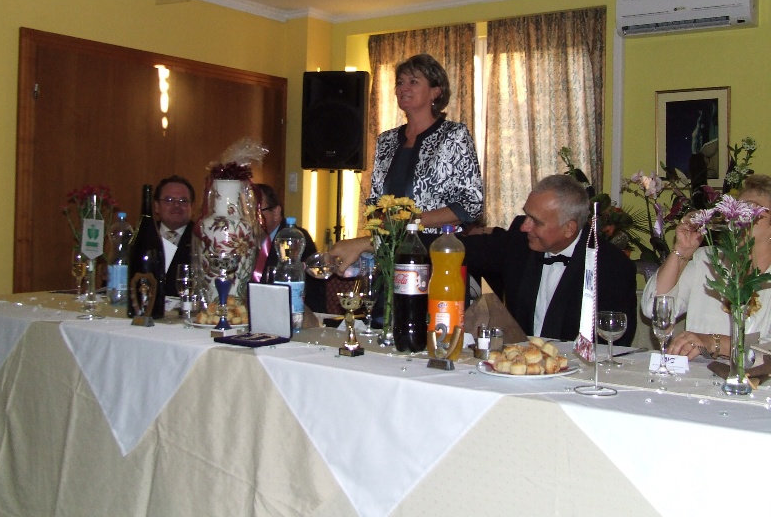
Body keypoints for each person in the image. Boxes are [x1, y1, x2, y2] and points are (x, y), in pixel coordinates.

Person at [331, 53, 484, 266]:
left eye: (413, 82)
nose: (404, 88)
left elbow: (471, 204)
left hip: (438, 255)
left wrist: (410, 222)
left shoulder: (453, 135)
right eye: (400, 83)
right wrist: (378, 234)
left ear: (436, 91)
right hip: (388, 256)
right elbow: (375, 203)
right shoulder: (386, 140)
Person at [463, 174, 638, 344]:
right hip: (521, 359)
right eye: (526, 215)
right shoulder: (519, 241)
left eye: (536, 222)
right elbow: (462, 250)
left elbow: (614, 341)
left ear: (569, 228)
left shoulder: (612, 267)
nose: (524, 226)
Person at [647, 174, 771, 360]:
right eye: (737, 207)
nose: (740, 215)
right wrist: (681, 252)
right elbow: (655, 309)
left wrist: (716, 343)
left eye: (752, 207)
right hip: (697, 374)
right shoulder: (708, 260)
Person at [255, 183, 326, 313]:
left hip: (298, 314)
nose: (250, 219)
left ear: (276, 212)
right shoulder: (246, 240)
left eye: (257, 212)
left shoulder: (293, 239)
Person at [154, 175, 196, 297]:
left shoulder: (202, 238)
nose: (176, 205)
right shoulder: (141, 235)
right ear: (156, 206)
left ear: (192, 207)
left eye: (183, 201)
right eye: (169, 200)